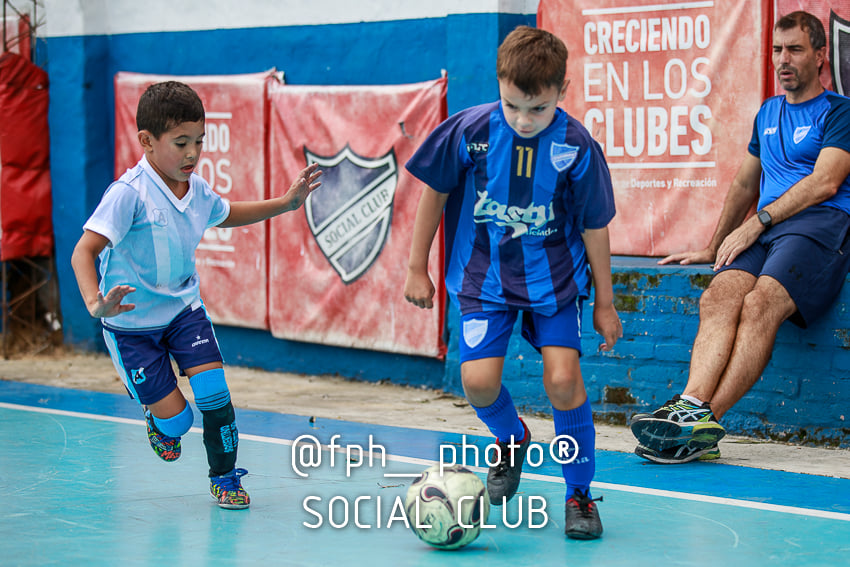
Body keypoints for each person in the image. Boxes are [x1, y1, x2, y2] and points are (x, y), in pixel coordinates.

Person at [403, 26, 621, 540]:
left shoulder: (576, 145)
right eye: (513, 106)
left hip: (554, 282)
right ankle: (512, 437)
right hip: (484, 280)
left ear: (561, 93)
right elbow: (433, 193)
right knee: (477, 381)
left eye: (538, 109)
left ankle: (579, 494)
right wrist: (417, 267)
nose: (524, 120)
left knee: (563, 381)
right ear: (499, 84)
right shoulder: (470, 131)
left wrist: (605, 302)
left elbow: (595, 226)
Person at [71, 81, 322, 508]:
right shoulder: (128, 194)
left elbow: (225, 214)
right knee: (179, 423)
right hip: (131, 326)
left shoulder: (197, 189)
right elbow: (84, 251)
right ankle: (159, 420)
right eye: (181, 142)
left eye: (199, 142)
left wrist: (286, 203)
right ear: (147, 142)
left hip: (184, 312)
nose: (192, 153)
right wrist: (96, 303)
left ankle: (225, 478)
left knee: (215, 395)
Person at [631, 11, 850, 464]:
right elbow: (744, 185)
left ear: (821, 55)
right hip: (768, 231)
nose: (782, 59)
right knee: (719, 295)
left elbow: (826, 182)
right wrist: (714, 246)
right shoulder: (767, 113)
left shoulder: (841, 112)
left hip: (818, 224)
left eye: (794, 49)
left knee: (760, 303)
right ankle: (689, 406)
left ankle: (703, 423)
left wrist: (759, 222)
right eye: (776, 50)